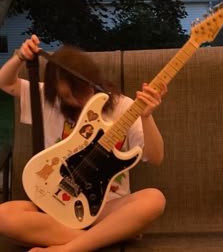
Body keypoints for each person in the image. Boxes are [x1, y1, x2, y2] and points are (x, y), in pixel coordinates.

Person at [0, 34, 167, 252]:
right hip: (55, 205)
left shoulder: (124, 107)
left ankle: (68, 248)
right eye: (67, 96)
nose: (77, 100)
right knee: (4, 216)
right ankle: (105, 238)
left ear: (94, 82)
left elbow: (156, 157)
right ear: (54, 93)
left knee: (154, 199)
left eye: (82, 92)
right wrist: (20, 57)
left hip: (106, 208)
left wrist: (146, 117)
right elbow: (5, 82)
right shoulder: (46, 100)